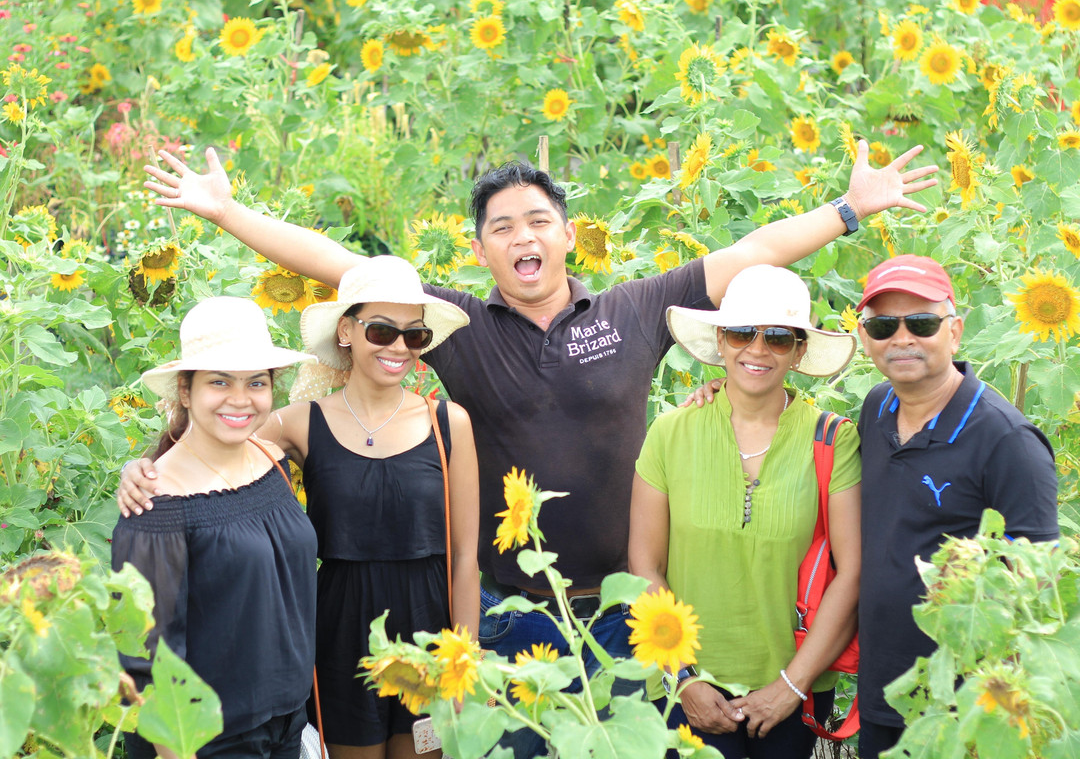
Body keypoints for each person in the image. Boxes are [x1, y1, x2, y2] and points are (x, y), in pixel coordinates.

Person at [129, 141, 935, 758]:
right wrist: (228, 213)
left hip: (627, 610)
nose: (523, 235)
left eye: (538, 220)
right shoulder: (462, 329)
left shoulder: (633, 310)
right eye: (501, 226)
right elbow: (343, 269)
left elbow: (751, 254)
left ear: (568, 235)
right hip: (510, 615)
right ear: (481, 251)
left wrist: (850, 208)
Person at [120, 257, 481, 759]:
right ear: (347, 332)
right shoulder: (297, 424)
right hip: (338, 633)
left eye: (414, 336)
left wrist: (464, 657)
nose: (398, 346)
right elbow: (212, 445)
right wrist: (142, 469)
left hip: (429, 627)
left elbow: (466, 556)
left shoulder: (448, 424)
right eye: (381, 330)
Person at [628, 264, 861, 759]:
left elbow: (852, 572)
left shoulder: (833, 439)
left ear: (800, 350)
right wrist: (684, 677)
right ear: (720, 339)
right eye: (741, 333)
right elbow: (645, 567)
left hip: (795, 690)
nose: (756, 349)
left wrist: (791, 686)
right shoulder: (670, 433)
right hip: (686, 688)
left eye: (778, 337)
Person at [853, 254, 1060, 759]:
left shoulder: (1006, 440)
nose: (901, 338)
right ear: (865, 338)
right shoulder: (876, 407)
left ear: (955, 331)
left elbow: (1040, 578)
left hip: (964, 704)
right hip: (886, 688)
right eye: (882, 326)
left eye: (921, 322)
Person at [112, 297, 319, 759]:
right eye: (219, 381)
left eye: (256, 382)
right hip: (209, 739)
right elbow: (146, 659)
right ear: (185, 391)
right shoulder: (156, 503)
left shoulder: (270, 459)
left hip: (287, 717)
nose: (240, 399)